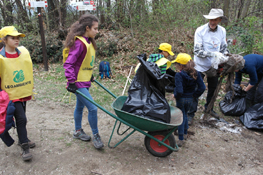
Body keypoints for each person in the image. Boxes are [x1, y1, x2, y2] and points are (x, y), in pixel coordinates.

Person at [63, 14, 104, 149]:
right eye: (95, 28)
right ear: (87, 28)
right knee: (92, 108)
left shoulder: (88, 42)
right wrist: (71, 81)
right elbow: (69, 63)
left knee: (79, 107)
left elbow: (84, 62)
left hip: (85, 81)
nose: (97, 31)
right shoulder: (79, 43)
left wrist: (90, 75)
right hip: (77, 82)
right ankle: (96, 135)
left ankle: (77, 131)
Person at [0, 26, 35, 161]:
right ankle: (25, 146)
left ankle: (22, 138)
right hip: (9, 95)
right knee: (21, 118)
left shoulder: (23, 52)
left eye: (18, 37)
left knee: (22, 117)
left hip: (23, 92)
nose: (17, 40)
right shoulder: (1, 57)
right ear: (4, 39)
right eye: (12, 38)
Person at [188, 8, 229, 124]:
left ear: (220, 20)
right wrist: (213, 54)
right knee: (196, 88)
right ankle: (191, 113)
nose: (212, 22)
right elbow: (197, 51)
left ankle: (209, 108)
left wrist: (225, 55)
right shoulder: (200, 30)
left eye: (215, 20)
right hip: (199, 65)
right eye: (211, 19)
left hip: (214, 65)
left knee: (213, 88)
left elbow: (223, 47)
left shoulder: (222, 31)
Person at [173, 53, 205, 147]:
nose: (177, 66)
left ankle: (181, 139)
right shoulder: (196, 73)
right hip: (190, 99)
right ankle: (185, 133)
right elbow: (202, 87)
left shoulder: (179, 75)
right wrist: (194, 95)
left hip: (181, 99)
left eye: (177, 64)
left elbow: (179, 90)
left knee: (181, 118)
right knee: (185, 115)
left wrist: (176, 95)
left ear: (181, 65)